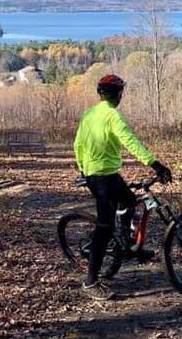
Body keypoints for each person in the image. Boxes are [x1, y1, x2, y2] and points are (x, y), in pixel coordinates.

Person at [73, 74, 172, 301]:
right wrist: (155, 164)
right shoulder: (112, 115)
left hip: (102, 174)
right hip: (101, 178)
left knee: (129, 201)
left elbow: (77, 143)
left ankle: (127, 244)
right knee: (104, 228)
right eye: (121, 93)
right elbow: (130, 141)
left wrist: (82, 168)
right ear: (118, 94)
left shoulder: (89, 113)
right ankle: (90, 283)